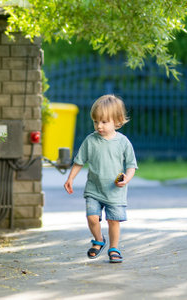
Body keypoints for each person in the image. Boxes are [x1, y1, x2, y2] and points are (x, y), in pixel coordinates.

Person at [64, 94, 137, 263]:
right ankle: (98, 239)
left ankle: (114, 247)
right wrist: (70, 178)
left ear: (117, 121)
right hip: (94, 189)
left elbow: (131, 165)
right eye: (96, 121)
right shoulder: (90, 141)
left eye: (104, 122)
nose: (99, 126)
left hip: (115, 191)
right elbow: (79, 161)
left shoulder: (123, 142)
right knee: (91, 217)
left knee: (113, 221)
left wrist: (127, 179)